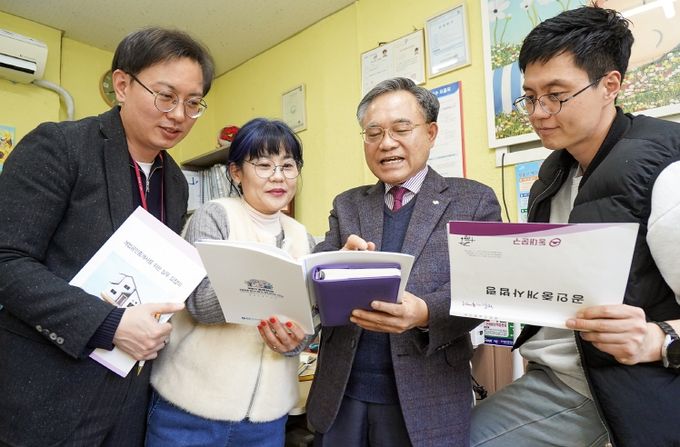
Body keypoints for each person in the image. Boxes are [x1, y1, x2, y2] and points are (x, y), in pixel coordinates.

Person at [470, 6, 680, 447]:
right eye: (530, 97)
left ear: (610, 85)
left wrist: (658, 339)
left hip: (611, 387)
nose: (538, 112)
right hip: (556, 371)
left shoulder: (665, 175)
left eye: (556, 95)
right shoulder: (555, 173)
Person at [0, 27, 214, 446]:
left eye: (193, 103)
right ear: (122, 85)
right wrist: (108, 323)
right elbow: (7, 260)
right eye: (165, 96)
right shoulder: (61, 146)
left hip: (127, 400)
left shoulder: (175, 181)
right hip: (47, 394)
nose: (178, 115)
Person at [306, 77, 502, 446]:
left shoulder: (473, 200)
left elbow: (485, 288)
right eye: (373, 133)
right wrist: (334, 265)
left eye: (401, 129)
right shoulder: (347, 205)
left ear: (431, 133)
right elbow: (314, 277)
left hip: (427, 399)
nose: (386, 143)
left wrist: (426, 312)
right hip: (341, 396)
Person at [147, 118, 317, 447]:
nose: (278, 176)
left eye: (288, 165)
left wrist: (295, 341)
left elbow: (308, 323)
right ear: (236, 172)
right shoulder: (214, 216)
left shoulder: (302, 237)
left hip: (266, 422)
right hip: (191, 413)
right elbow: (200, 304)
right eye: (264, 165)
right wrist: (270, 277)